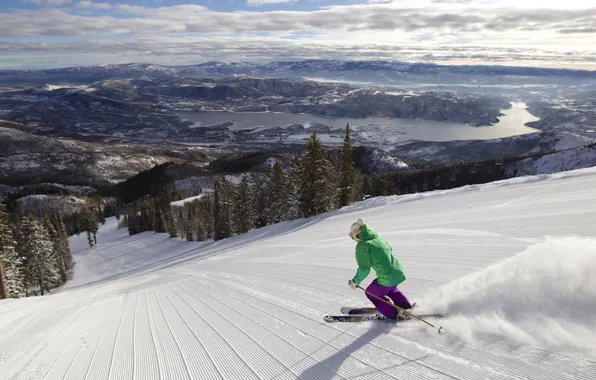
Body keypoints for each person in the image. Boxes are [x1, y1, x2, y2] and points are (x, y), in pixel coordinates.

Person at [347, 218, 414, 319]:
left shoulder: (363, 245)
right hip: (398, 272)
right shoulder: (378, 238)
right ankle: (405, 307)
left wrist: (355, 281)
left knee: (371, 293)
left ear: (356, 234)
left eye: (353, 237)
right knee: (390, 288)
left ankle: (392, 314)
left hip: (387, 276)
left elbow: (365, 269)